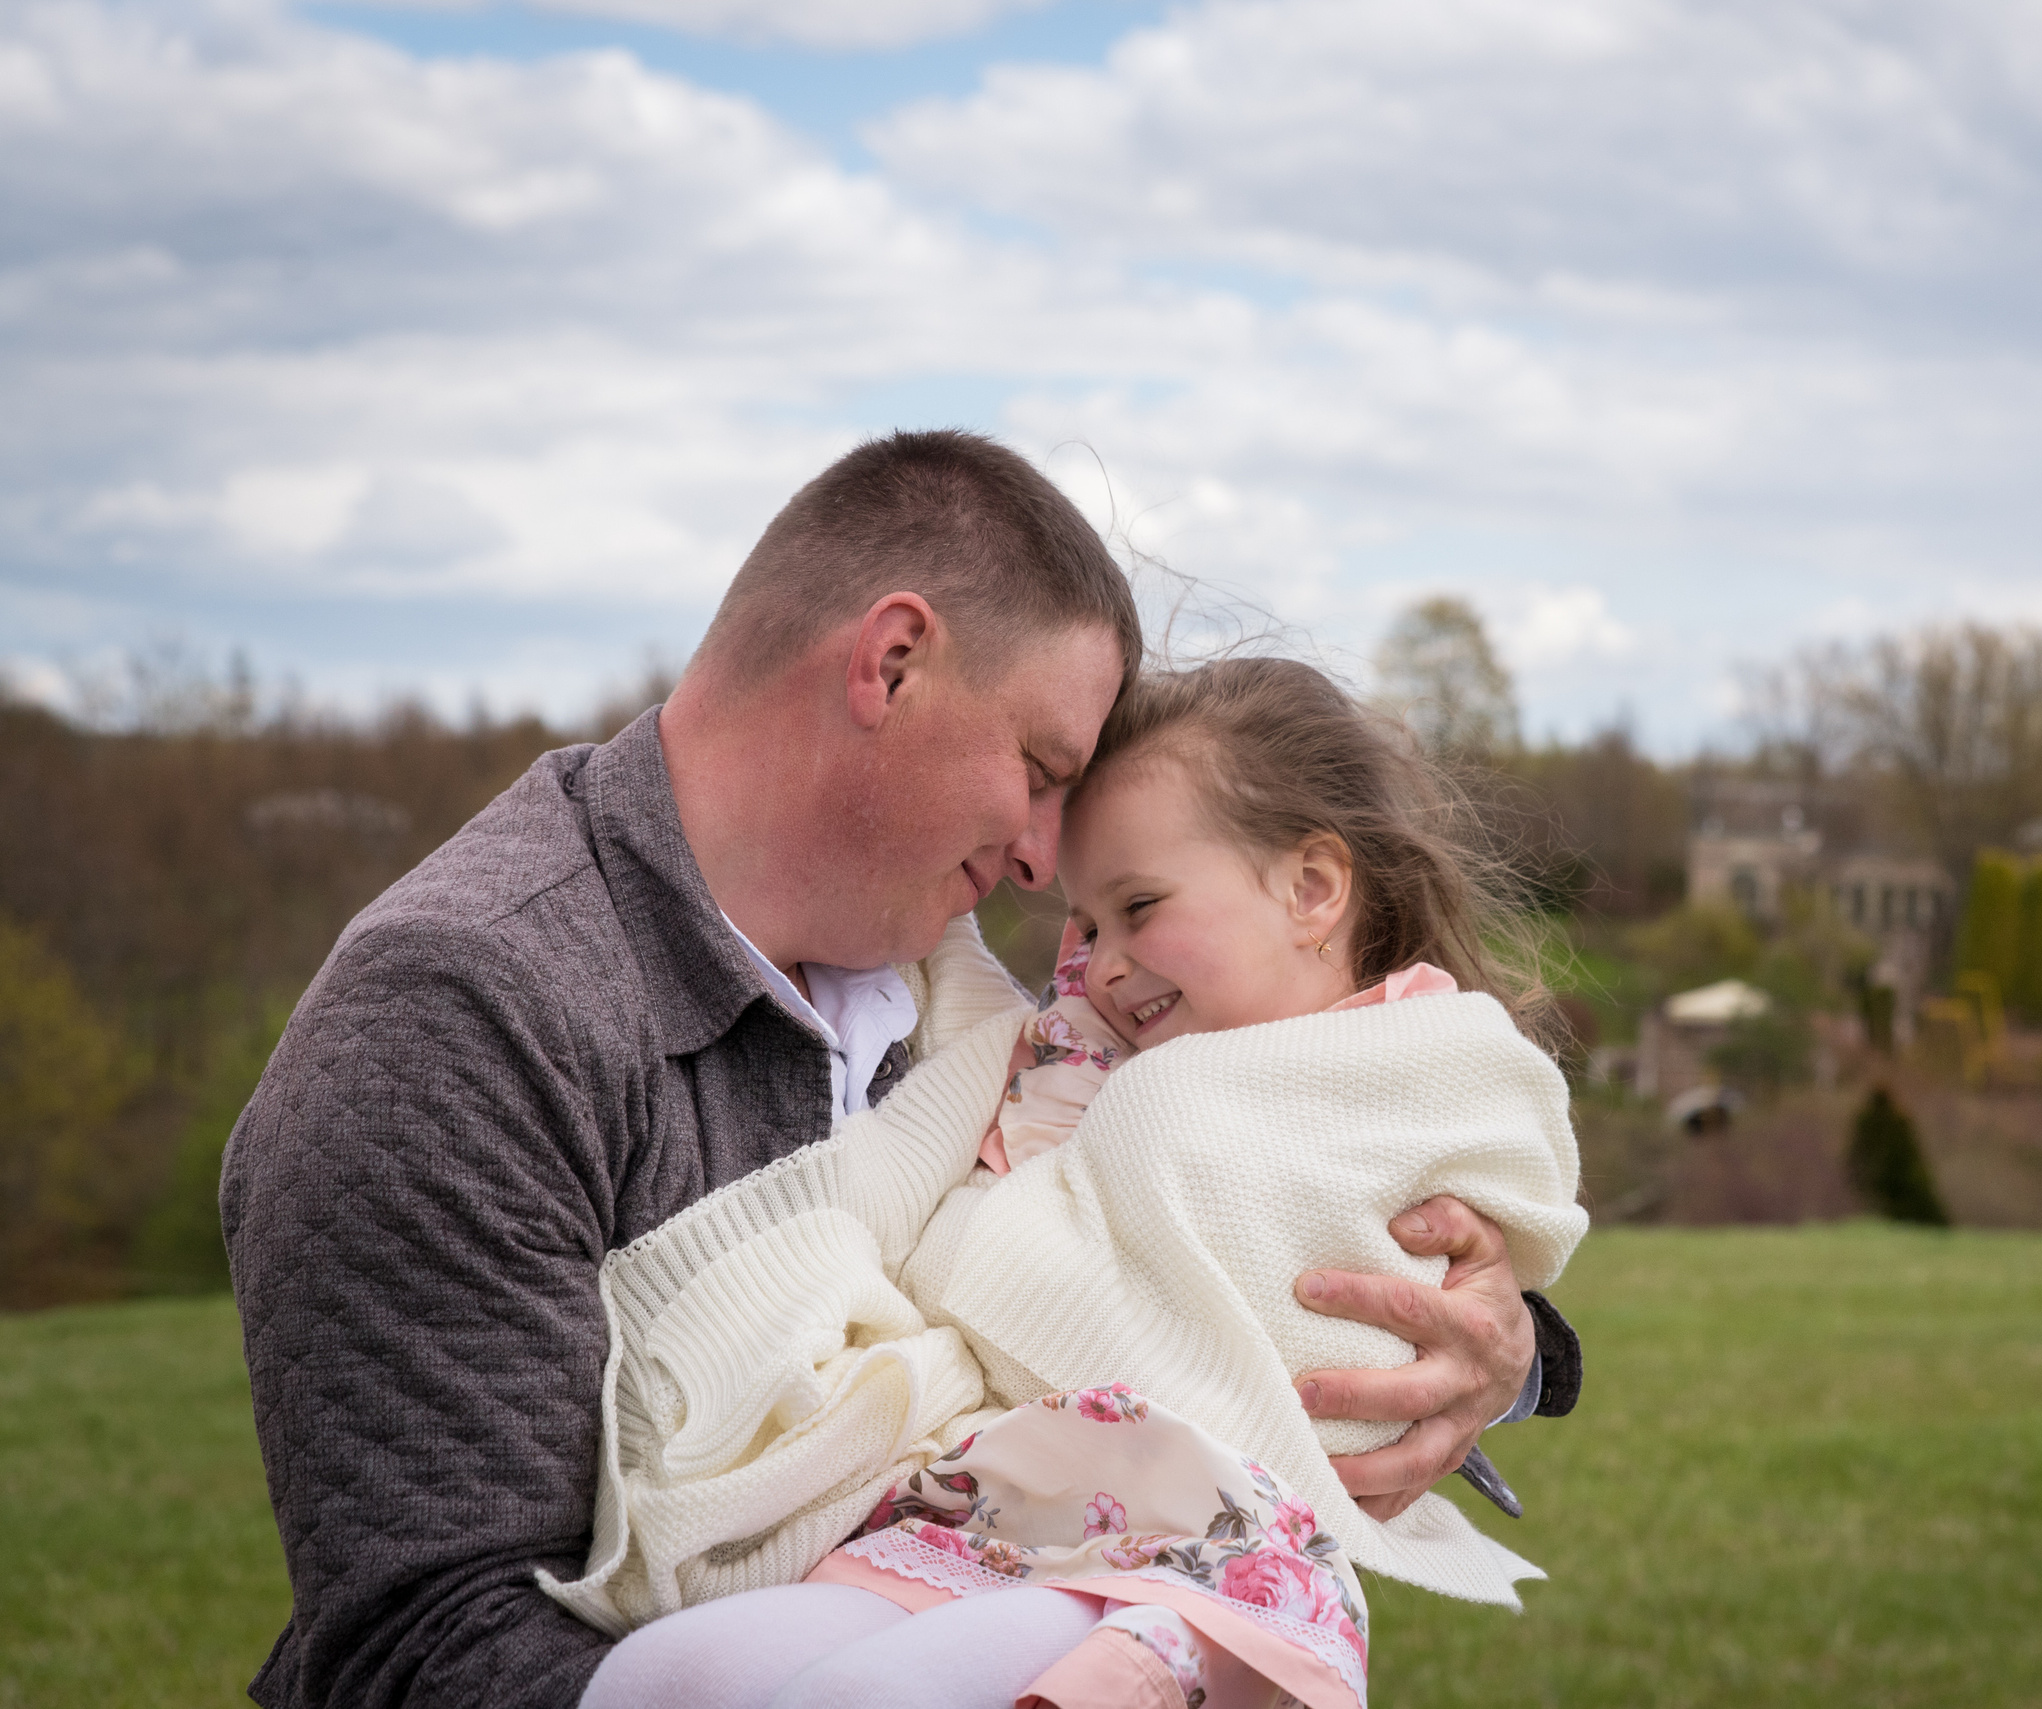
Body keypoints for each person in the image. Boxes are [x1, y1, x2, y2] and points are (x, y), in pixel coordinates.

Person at [220, 432, 1578, 1709]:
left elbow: (1232, 1213)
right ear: (892, 664)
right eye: (1042, 769)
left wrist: (1502, 1347)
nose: (1049, 864)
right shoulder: (460, 1020)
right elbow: (418, 1647)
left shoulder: (965, 974)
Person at [567, 656, 1587, 1709]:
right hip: (996, 1499)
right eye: (1085, 924)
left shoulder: (1424, 1055)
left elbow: (1437, 1237)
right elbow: (975, 1203)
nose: (1100, 963)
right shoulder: (1077, 1059)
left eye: (1139, 906)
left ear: (1312, 889)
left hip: (1186, 1536)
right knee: (662, 1674)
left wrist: (1511, 1339)